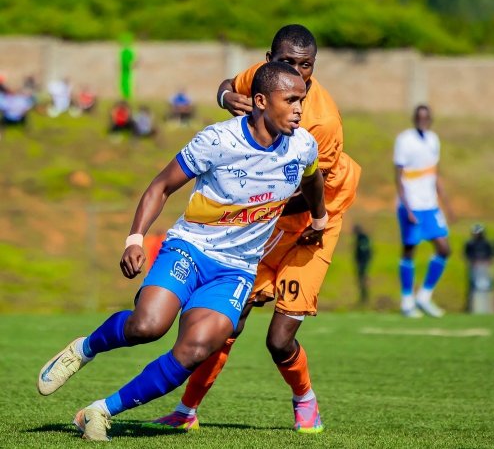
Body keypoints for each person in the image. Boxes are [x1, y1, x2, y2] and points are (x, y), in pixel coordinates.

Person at [36, 61, 326, 441]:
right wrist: (135, 238)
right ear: (260, 101)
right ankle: (83, 349)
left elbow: (314, 179)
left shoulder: (302, 145)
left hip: (236, 270)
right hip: (190, 249)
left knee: (196, 349)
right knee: (147, 326)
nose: (299, 109)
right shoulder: (218, 141)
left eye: (301, 100)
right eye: (290, 100)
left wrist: (319, 217)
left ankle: (100, 411)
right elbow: (161, 186)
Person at [150, 24, 360, 434]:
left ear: (314, 66)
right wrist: (225, 97)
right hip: (268, 220)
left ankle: (305, 400)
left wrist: (247, 204)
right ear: (269, 61)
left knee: (279, 339)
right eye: (286, 62)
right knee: (230, 319)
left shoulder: (322, 122)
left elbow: (313, 192)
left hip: (314, 222)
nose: (296, 71)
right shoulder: (265, 80)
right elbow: (229, 86)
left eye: (305, 65)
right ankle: (186, 411)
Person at [394, 104, 452, 318]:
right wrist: (407, 208)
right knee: (410, 249)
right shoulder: (405, 140)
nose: (423, 121)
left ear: (430, 119)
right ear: (414, 119)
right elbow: (398, 176)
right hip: (411, 204)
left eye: (426, 117)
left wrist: (446, 204)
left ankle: (424, 297)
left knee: (444, 248)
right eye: (419, 117)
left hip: (430, 206)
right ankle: (407, 300)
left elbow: (434, 174)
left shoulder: (433, 140)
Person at [464, 224, 494, 313]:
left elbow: (491, 255)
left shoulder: (487, 243)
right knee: (474, 286)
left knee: (486, 286)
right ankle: (473, 307)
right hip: (474, 268)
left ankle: (487, 307)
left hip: (484, 269)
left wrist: (486, 262)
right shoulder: (470, 243)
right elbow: (467, 255)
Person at [353, 224, 372, 305]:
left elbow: (363, 250)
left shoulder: (361, 237)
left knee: (363, 278)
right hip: (363, 261)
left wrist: (361, 261)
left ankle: (364, 296)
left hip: (363, 262)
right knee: (361, 278)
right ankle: (363, 296)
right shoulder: (362, 237)